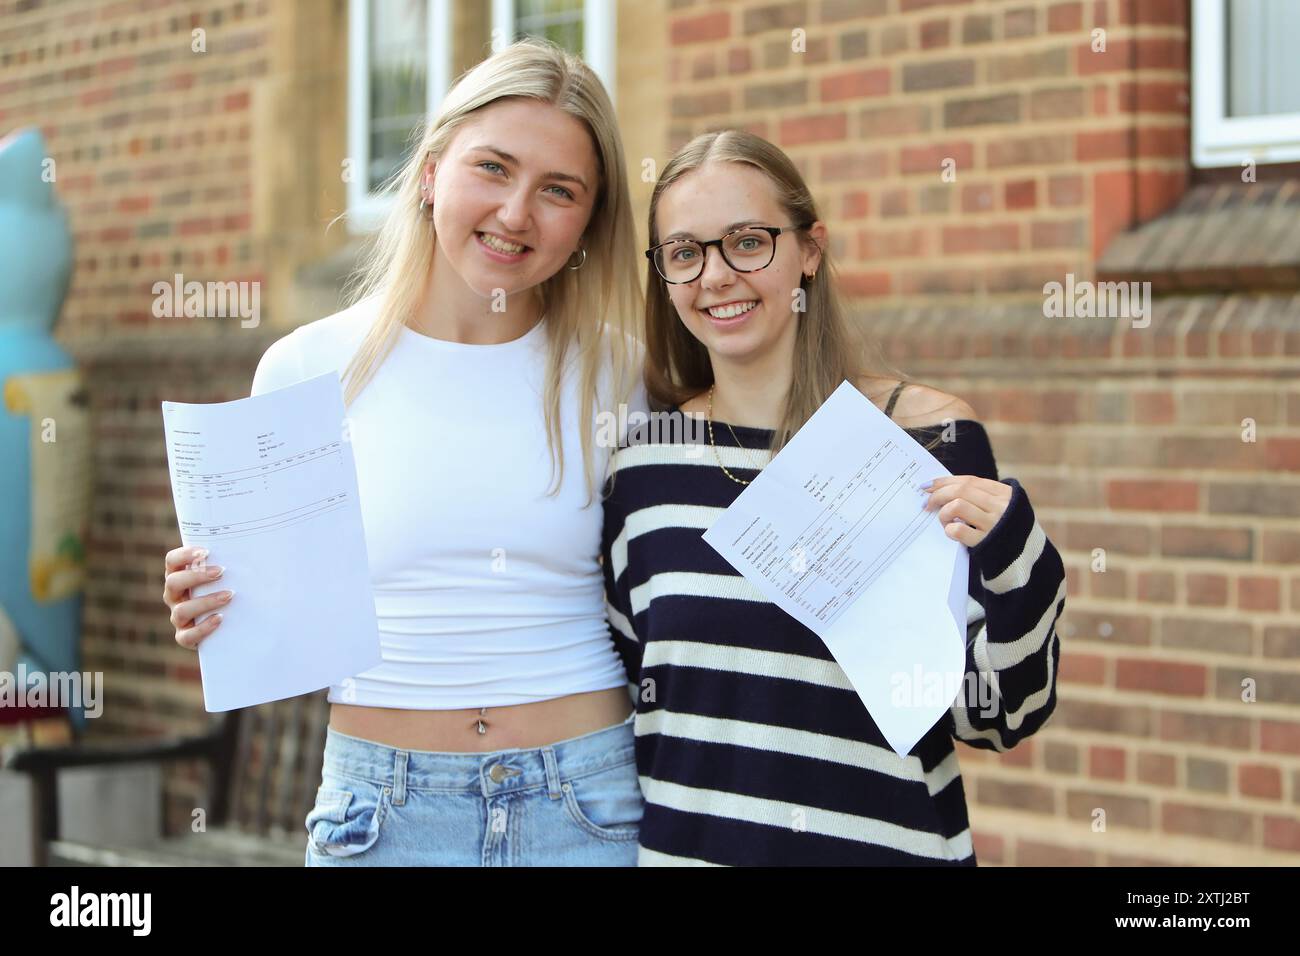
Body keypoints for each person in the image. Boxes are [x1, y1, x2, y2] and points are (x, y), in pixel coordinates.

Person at [162, 39, 648, 866]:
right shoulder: (307, 368)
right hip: (382, 811)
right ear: (430, 173)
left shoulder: (622, 371)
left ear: (588, 225)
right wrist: (209, 604)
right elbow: (269, 616)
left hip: (588, 803)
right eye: (492, 168)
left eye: (558, 190)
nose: (516, 213)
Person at [601, 129, 1067, 865]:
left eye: (747, 242)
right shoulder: (642, 465)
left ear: (809, 251)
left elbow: (1000, 715)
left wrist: (1019, 554)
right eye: (685, 253)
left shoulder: (927, 441)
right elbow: (625, 708)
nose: (715, 275)